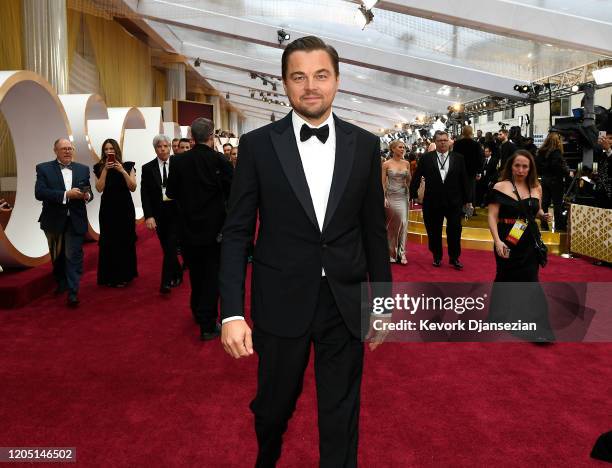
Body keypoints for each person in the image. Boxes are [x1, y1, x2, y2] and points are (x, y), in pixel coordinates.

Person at [218, 36, 391, 467]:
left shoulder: (366, 145)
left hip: (344, 301)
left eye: (320, 75)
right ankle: (267, 456)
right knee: (273, 409)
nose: (310, 86)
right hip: (281, 301)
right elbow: (237, 232)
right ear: (284, 83)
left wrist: (384, 301)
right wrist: (232, 312)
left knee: (341, 412)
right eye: (299, 76)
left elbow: (373, 232)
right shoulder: (258, 146)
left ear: (336, 81)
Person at [165, 117, 233, 341]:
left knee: (195, 272)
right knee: (211, 276)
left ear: (192, 138)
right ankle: (207, 323)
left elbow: (171, 193)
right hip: (215, 230)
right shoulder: (220, 161)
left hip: (187, 229)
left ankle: (197, 311)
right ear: (212, 136)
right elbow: (233, 193)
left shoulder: (178, 162)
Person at [487, 150, 554, 341]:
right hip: (507, 237)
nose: (521, 170)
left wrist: (543, 215)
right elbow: (492, 216)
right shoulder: (501, 186)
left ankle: (539, 330)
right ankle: (498, 317)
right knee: (504, 277)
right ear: (511, 166)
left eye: (525, 166)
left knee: (531, 282)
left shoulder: (536, 187)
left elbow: (536, 209)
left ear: (530, 168)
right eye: (517, 165)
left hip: (529, 240)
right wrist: (497, 241)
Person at [35, 138, 93, 306]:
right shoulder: (44, 168)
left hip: (76, 219)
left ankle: (73, 292)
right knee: (57, 256)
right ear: (56, 151)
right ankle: (62, 282)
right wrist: (66, 195)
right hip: (53, 220)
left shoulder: (83, 169)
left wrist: (87, 196)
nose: (68, 151)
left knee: (72, 254)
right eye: (64, 148)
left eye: (70, 148)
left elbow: (87, 191)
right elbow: (40, 192)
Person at [409, 130, 472, 269]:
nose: (443, 142)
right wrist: (411, 193)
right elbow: (417, 176)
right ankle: (437, 256)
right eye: (440, 140)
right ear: (435, 142)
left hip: (454, 201)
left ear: (449, 141)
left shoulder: (458, 158)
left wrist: (468, 199)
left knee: (455, 230)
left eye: (445, 140)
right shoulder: (426, 158)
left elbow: (464, 179)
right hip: (432, 201)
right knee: (434, 231)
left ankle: (454, 258)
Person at [141, 135, 182, 294]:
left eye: (166, 146)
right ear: (155, 149)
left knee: (171, 245)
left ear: (170, 147)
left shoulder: (179, 164)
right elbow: (145, 194)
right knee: (167, 247)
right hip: (159, 214)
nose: (163, 149)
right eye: (160, 146)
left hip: (177, 213)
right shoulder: (147, 168)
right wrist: (149, 216)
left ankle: (165, 281)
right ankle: (177, 272)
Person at [93, 138, 138, 287]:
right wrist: (105, 170)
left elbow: (133, 187)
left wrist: (122, 171)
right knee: (109, 241)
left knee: (125, 240)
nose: (108, 152)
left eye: (111, 149)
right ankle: (109, 277)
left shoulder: (128, 166)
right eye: (106, 149)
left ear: (116, 150)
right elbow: (99, 188)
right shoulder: (98, 167)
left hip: (125, 208)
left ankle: (125, 275)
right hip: (108, 209)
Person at [382, 140, 411, 264]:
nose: (402, 149)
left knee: (404, 223)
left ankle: (402, 253)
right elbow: (382, 182)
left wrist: (408, 190)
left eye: (403, 147)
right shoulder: (386, 164)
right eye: (400, 147)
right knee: (393, 225)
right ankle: (392, 253)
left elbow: (409, 180)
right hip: (391, 196)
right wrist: (384, 197)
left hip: (403, 195)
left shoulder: (407, 163)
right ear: (393, 149)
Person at [535, 132, 569, 230]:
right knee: (557, 204)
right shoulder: (557, 152)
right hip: (556, 181)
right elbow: (558, 167)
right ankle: (559, 226)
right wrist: (566, 172)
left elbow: (538, 166)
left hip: (545, 179)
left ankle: (544, 224)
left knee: (545, 203)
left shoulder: (541, 152)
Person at [453, 125, 484, 206]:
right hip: (472, 171)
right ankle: (470, 210)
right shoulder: (476, 144)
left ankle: (460, 209)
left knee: (460, 189)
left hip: (459, 171)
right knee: (471, 190)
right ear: (471, 132)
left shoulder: (457, 144)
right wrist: (479, 172)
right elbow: (480, 159)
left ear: (462, 132)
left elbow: (454, 158)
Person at [594, 129, 612, 209]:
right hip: (600, 193)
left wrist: (608, 150)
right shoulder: (601, 154)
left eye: (611, 138)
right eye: (606, 138)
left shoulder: (608, 152)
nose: (608, 141)